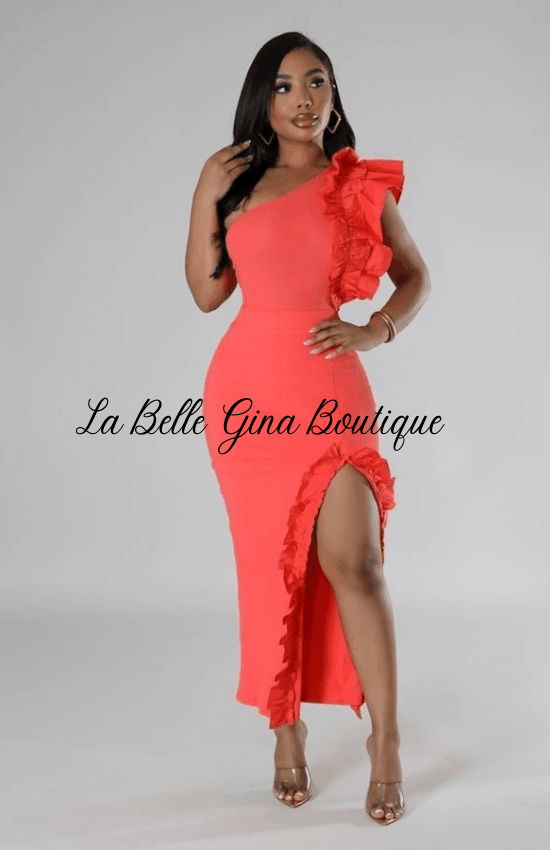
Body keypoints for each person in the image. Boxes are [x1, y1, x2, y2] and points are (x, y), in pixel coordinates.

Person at [185, 31, 430, 824]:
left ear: (333, 94)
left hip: (329, 384)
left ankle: (386, 742)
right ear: (262, 100)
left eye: (316, 81)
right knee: (270, 567)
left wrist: (376, 330)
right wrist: (203, 192)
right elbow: (207, 294)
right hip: (246, 396)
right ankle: (284, 729)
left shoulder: (357, 186)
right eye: (285, 85)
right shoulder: (237, 186)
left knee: (355, 562)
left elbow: (416, 275)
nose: (303, 98)